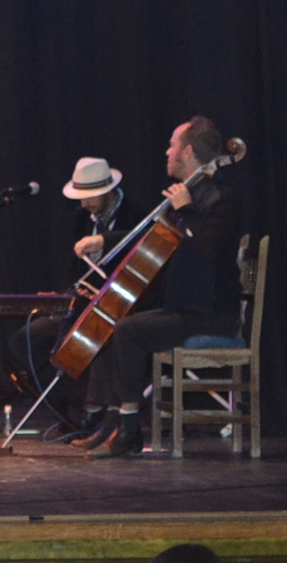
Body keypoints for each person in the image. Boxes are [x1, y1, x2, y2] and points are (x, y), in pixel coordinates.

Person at [80, 117, 243, 459]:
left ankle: (128, 431)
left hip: (211, 313)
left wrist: (186, 210)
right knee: (114, 324)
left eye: (172, 145)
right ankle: (115, 422)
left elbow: (211, 248)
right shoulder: (188, 194)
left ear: (188, 151)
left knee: (128, 329)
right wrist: (103, 240)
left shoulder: (220, 196)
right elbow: (149, 235)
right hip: (184, 309)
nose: (167, 152)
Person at [7, 156, 130, 435]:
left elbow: (140, 245)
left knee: (74, 344)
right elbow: (76, 268)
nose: (84, 204)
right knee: (24, 340)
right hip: (82, 299)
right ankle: (73, 407)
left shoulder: (134, 214)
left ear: (108, 191)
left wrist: (104, 242)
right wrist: (66, 292)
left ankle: (91, 412)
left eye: (90, 196)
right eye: (81, 197)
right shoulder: (81, 218)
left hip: (118, 303)